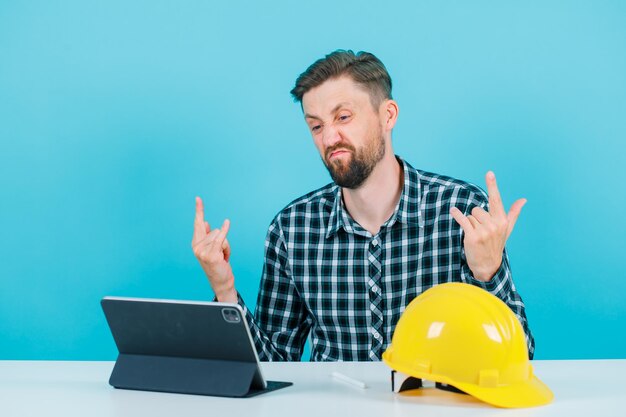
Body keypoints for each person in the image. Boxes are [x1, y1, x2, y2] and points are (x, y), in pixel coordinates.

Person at [192, 50, 535, 361]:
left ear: (388, 115)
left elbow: (518, 356)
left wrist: (487, 273)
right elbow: (272, 366)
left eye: (343, 117)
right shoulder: (292, 229)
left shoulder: (461, 211)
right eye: (316, 125)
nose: (328, 138)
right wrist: (224, 290)